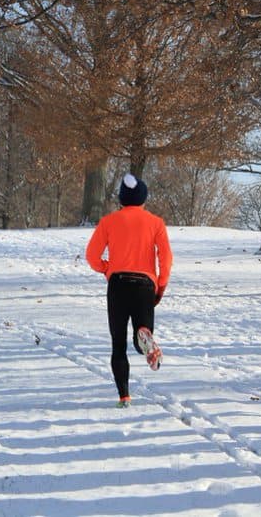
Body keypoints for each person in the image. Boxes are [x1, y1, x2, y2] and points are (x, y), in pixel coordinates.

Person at [85, 173, 173, 408]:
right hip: (144, 285)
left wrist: (107, 270)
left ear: (121, 200)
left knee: (118, 344)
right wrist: (160, 285)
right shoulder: (156, 223)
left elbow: (92, 256)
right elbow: (165, 258)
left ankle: (124, 396)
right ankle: (144, 337)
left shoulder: (108, 222)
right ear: (143, 199)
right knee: (140, 335)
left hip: (118, 284)